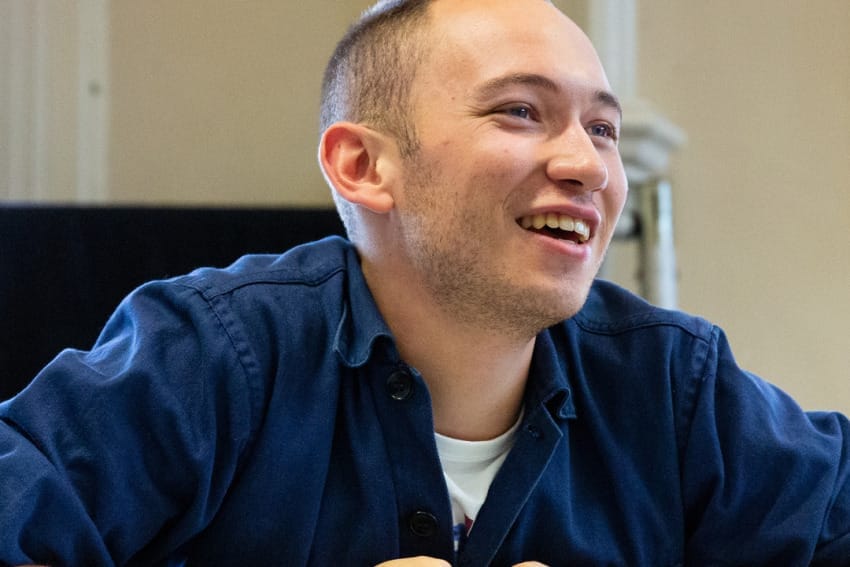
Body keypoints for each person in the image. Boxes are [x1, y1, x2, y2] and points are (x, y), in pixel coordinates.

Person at [1, 0, 849, 565]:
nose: (588, 165)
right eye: (521, 110)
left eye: (603, 128)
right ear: (362, 165)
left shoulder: (675, 386)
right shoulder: (213, 354)